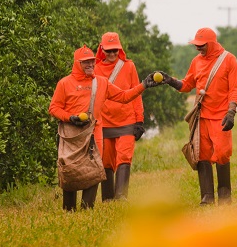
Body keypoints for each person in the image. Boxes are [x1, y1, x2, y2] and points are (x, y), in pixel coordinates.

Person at [50, 45, 160, 211]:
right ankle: (69, 211)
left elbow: (124, 97)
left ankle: (87, 209)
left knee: (94, 168)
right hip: (71, 134)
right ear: (76, 63)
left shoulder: (101, 83)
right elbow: (54, 108)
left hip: (94, 132)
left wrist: (144, 84)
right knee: (70, 169)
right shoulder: (64, 83)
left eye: (92, 61)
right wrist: (70, 118)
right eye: (85, 62)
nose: (90, 65)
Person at [160, 27, 237, 205]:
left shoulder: (229, 60)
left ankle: (225, 197)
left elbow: (234, 89)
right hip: (201, 115)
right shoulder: (196, 61)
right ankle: (207, 197)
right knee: (201, 154)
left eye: (201, 45)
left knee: (222, 153)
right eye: (196, 45)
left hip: (221, 116)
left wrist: (231, 112)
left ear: (211, 44)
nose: (198, 48)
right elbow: (187, 85)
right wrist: (170, 80)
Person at [94, 31, 144, 201]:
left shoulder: (129, 66)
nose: (112, 54)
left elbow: (136, 93)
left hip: (127, 120)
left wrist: (139, 120)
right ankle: (108, 199)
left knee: (124, 157)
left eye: (115, 50)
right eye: (109, 51)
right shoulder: (95, 68)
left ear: (120, 49)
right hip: (104, 122)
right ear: (102, 50)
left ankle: (121, 196)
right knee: (106, 160)